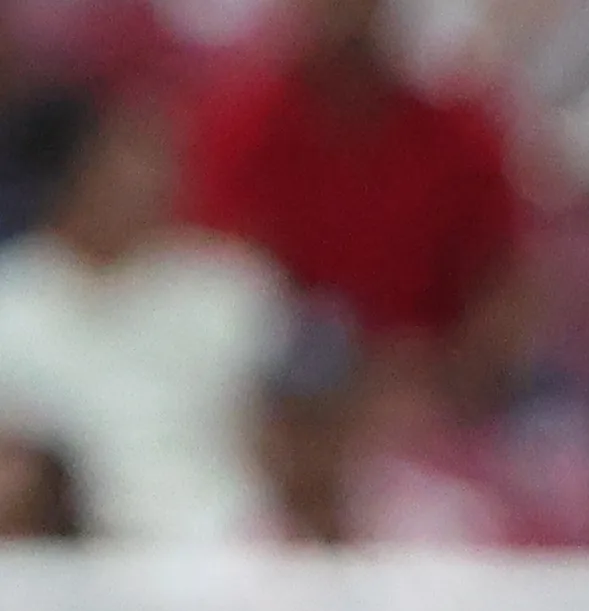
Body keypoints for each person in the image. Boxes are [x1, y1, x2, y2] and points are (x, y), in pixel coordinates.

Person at [177, 0, 526, 382]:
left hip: (424, 393)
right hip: (278, 394)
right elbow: (213, 285)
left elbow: (506, 289)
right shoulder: (239, 127)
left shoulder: (462, 138)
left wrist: (443, 373)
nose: (348, 19)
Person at [0, 95, 286, 543]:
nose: (143, 180)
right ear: (70, 173)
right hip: (64, 555)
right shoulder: (12, 298)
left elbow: (282, 438)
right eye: (119, 160)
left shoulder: (229, 288)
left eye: (159, 160)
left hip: (218, 543)